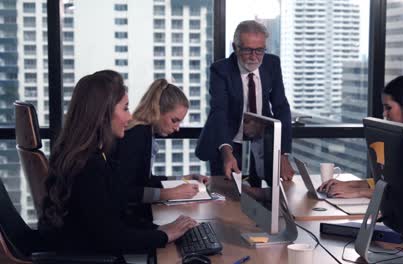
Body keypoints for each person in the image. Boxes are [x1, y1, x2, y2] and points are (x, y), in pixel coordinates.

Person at [40, 70, 197, 254]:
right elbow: (113, 237)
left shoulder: (89, 154)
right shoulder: (89, 166)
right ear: (103, 113)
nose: (130, 117)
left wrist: (160, 230)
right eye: (125, 108)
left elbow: (109, 221)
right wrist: (165, 234)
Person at [196, 20, 294, 182]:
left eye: (260, 50)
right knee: (227, 193)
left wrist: (282, 154)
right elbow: (219, 111)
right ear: (235, 47)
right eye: (248, 50)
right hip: (228, 139)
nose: (254, 57)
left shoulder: (272, 64)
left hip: (262, 139)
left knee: (262, 194)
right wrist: (227, 153)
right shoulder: (221, 70)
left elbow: (281, 107)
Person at [112, 78, 209, 209]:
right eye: (174, 120)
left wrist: (184, 178)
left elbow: (147, 180)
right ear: (157, 111)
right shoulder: (136, 136)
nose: (177, 128)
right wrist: (170, 193)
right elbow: (124, 192)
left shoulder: (145, 132)